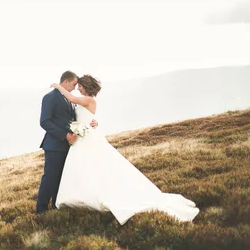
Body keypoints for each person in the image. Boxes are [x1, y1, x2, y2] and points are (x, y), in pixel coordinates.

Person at [51, 74, 199, 224]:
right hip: (84, 137)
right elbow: (82, 115)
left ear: (86, 87)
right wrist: (91, 122)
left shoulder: (89, 100)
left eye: (80, 86)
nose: (78, 89)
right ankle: (84, 196)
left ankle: (94, 195)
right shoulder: (85, 100)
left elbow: (72, 99)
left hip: (88, 139)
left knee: (94, 166)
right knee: (86, 167)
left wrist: (58, 86)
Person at [36, 71, 97, 214]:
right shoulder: (50, 97)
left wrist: (92, 122)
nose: (76, 88)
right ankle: (41, 210)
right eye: (75, 84)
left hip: (69, 146)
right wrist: (65, 135)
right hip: (54, 145)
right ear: (66, 82)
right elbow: (44, 122)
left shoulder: (69, 99)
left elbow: (75, 118)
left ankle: (56, 206)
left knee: (62, 178)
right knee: (50, 177)